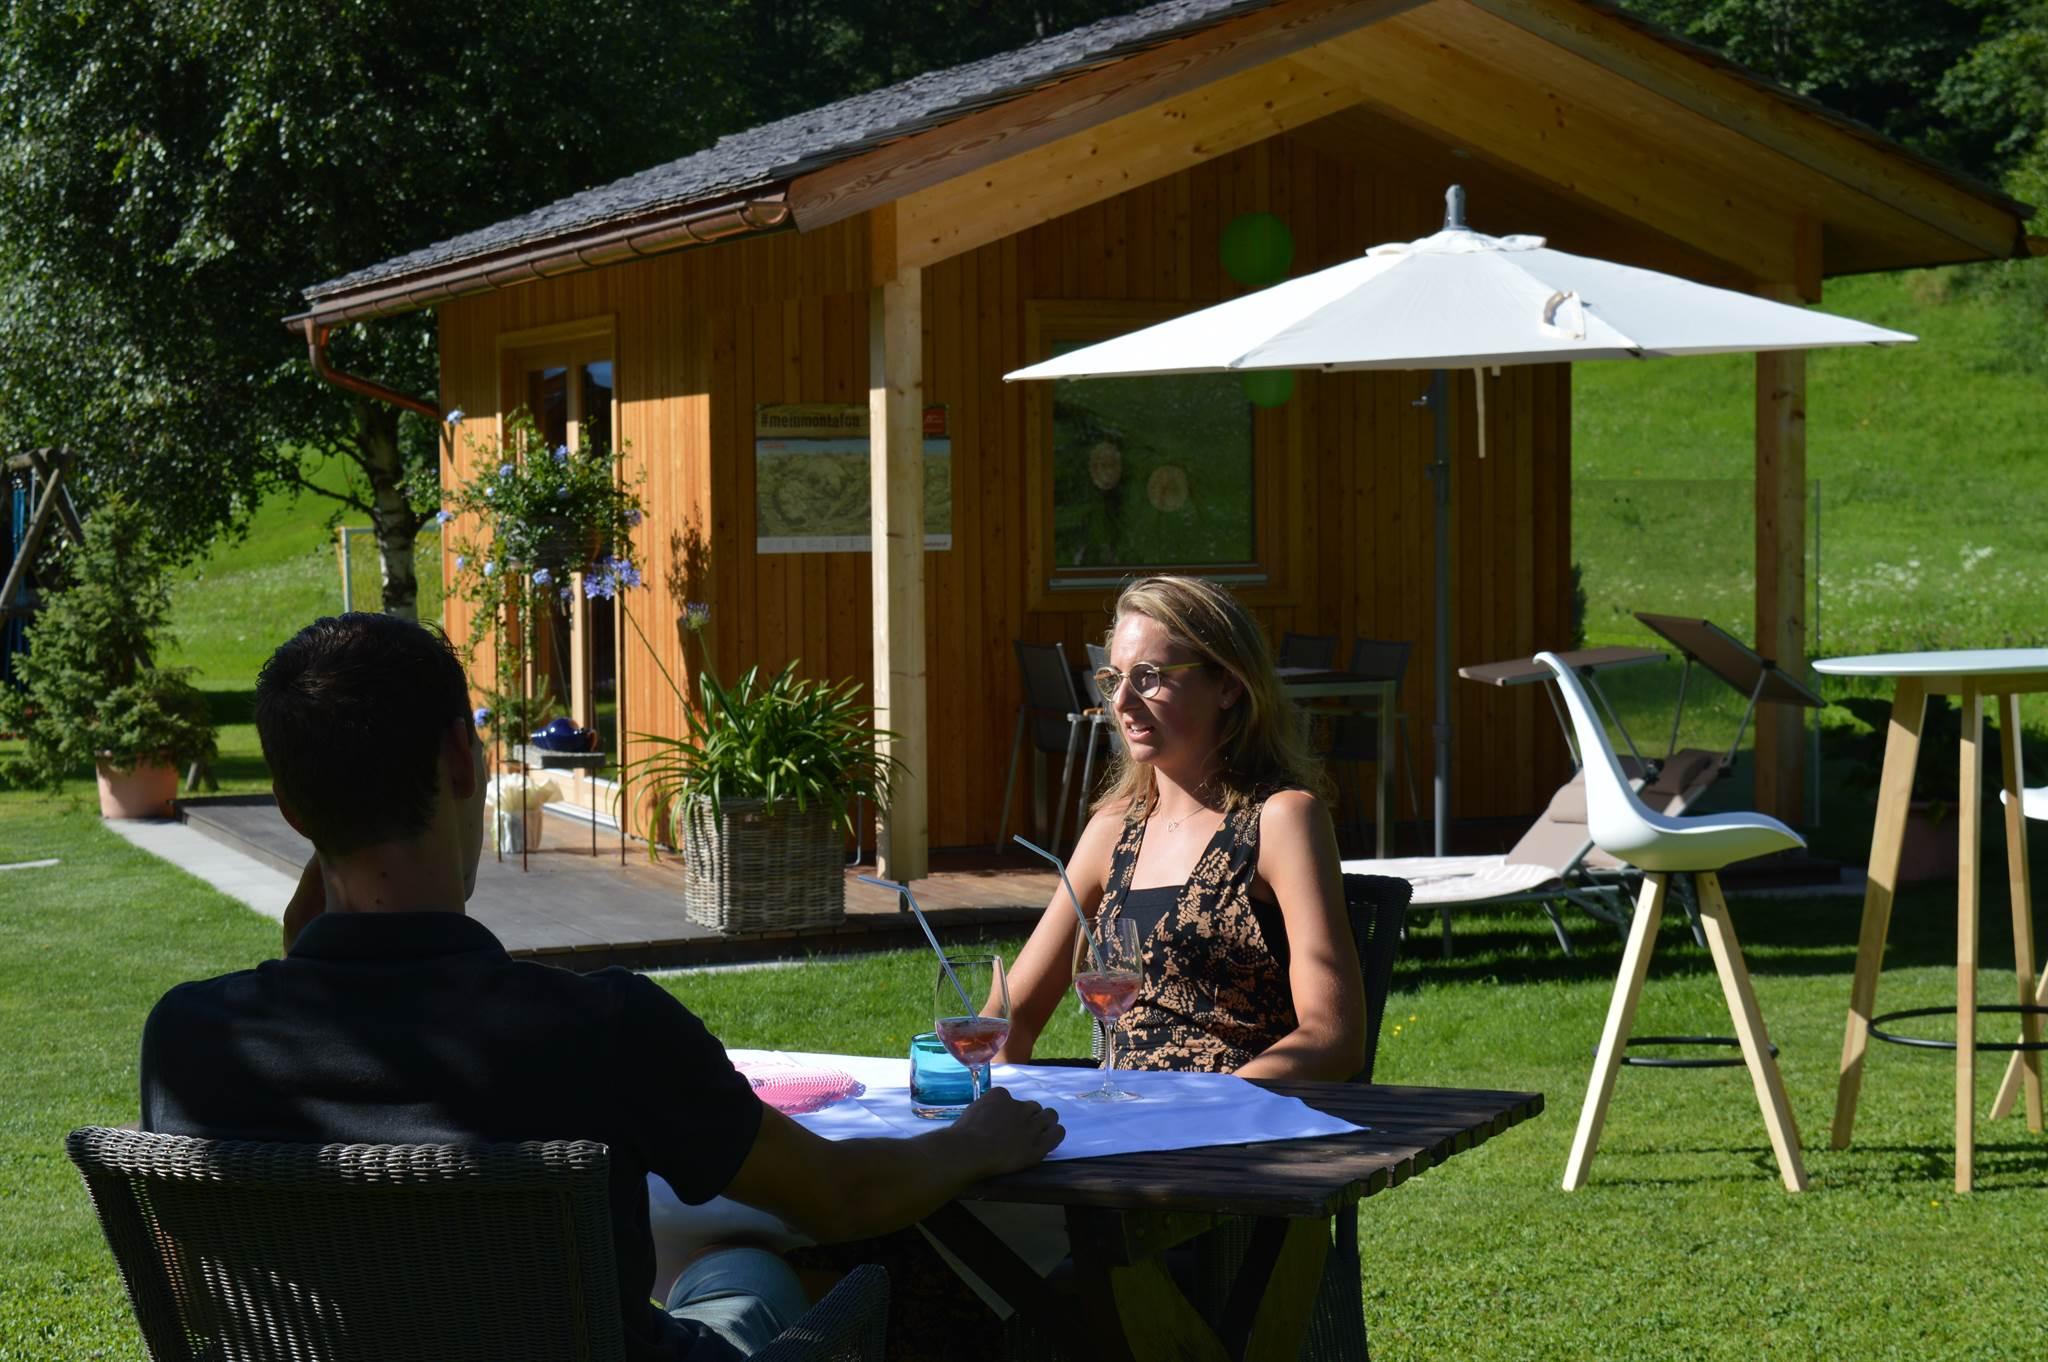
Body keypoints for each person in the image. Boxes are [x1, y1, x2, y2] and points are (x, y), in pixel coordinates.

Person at [138, 613, 1063, 1362]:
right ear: (462, 759)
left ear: (291, 809)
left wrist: (313, 938)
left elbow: (203, 1292)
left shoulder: (194, 1042)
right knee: (744, 1275)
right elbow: (838, 1198)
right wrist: (973, 1140)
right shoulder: (599, 1029)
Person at [999, 575, 1365, 1079]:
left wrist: (1206, 1106)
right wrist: (985, 1104)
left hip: (1238, 1115)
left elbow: (1333, 1038)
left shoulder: (1279, 820)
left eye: (1148, 677)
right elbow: (1009, 1017)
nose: (1122, 701)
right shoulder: (1113, 830)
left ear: (1228, 686)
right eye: (1113, 679)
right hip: (1123, 1113)